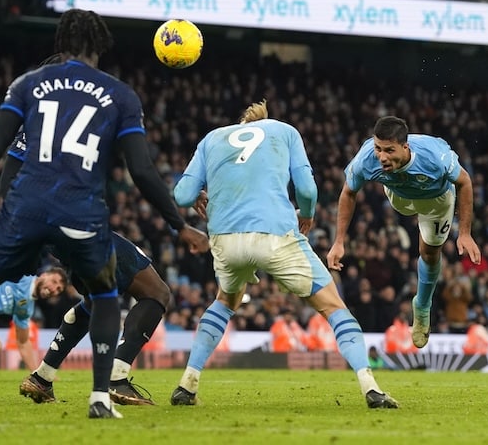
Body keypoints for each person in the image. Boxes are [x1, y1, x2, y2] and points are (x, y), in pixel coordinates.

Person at [0, 8, 209, 420]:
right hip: (81, 216)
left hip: (25, 211)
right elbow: (141, 171)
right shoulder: (119, 95)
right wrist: (179, 224)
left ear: (59, 42)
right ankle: (102, 395)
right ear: (99, 44)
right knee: (118, 295)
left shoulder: (29, 86)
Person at [170, 99, 398, 409]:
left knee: (225, 302)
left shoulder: (212, 138)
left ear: (241, 124)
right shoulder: (285, 131)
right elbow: (307, 190)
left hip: (224, 238)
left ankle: (188, 382)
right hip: (274, 233)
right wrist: (307, 213)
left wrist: (198, 193)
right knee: (334, 307)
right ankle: (370, 386)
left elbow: (182, 195)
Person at [2, 133, 174, 406]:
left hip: (58, 235)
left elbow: (7, 184)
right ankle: (117, 379)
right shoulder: (67, 121)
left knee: (93, 303)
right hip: (82, 229)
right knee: (157, 293)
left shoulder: (29, 131)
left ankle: (42, 378)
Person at [326, 116, 482, 349]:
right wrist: (338, 241)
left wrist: (465, 233)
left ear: (405, 147)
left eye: (389, 150)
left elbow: (465, 182)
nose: (381, 156)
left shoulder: (434, 157)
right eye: (378, 148)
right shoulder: (366, 159)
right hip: (399, 198)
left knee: (429, 253)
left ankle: (421, 306)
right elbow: (348, 192)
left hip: (435, 201)